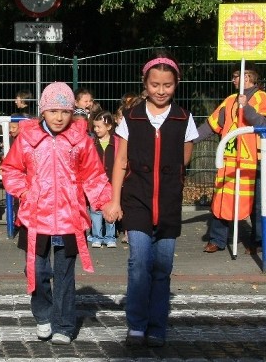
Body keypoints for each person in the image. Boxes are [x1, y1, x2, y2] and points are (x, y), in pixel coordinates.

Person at [1, 82, 112, 345]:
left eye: (64, 111)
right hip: (34, 217)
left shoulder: (81, 142)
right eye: (52, 111)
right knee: (37, 272)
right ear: (43, 111)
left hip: (69, 218)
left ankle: (64, 324)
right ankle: (43, 315)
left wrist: (105, 202)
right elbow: (11, 169)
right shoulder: (27, 139)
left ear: (72, 111)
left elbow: (93, 175)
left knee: (64, 275)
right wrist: (24, 192)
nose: (59, 117)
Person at [103, 51, 198, 348]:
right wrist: (114, 201)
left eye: (167, 85)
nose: (160, 90)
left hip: (168, 205)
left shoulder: (184, 118)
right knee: (139, 262)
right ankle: (136, 325)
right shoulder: (131, 117)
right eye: (155, 84)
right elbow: (120, 162)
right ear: (145, 84)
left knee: (162, 268)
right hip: (137, 201)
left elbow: (184, 159)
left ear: (176, 84)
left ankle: (157, 327)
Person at [198, 63, 266, 254]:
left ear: (247, 77)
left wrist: (247, 108)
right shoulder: (229, 101)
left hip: (255, 161)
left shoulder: (262, 98)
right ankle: (217, 240)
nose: (232, 80)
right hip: (231, 161)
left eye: (236, 76)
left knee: (258, 204)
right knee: (223, 199)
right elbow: (210, 126)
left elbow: (265, 124)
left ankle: (258, 242)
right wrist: (187, 138)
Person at [113, 91, 142, 244]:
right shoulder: (126, 127)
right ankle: (129, 231)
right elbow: (121, 158)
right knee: (130, 201)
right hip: (131, 173)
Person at [88, 111, 120, 248]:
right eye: (94, 127)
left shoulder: (117, 142)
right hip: (95, 183)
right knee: (95, 210)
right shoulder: (91, 142)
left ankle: (110, 237)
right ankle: (97, 236)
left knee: (110, 209)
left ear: (108, 126)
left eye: (99, 127)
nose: (96, 129)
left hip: (111, 183)